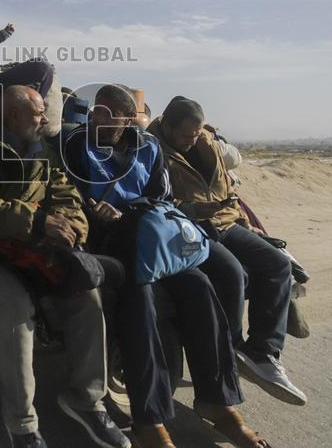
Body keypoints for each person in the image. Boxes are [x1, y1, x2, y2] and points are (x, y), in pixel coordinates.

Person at [61, 85, 269, 448]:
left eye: (113, 115)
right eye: (99, 112)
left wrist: (132, 211)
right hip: (108, 243)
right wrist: (101, 214)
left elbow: (161, 198)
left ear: (130, 119)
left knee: (200, 288)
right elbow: (72, 196)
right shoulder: (78, 145)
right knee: (138, 303)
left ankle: (217, 402)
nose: (103, 120)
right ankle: (148, 419)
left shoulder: (149, 148)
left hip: (150, 239)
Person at [0, 85, 129, 448]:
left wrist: (72, 226)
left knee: (87, 295)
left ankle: (85, 398)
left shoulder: (44, 150)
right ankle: (22, 424)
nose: (44, 118)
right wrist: (38, 224)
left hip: (41, 247)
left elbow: (66, 193)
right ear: (13, 116)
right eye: (38, 112)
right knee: (15, 310)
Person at [148, 98, 307, 405]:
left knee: (277, 265)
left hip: (228, 222)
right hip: (190, 229)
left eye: (195, 134)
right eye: (185, 136)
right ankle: (229, 348)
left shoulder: (206, 142)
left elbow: (228, 191)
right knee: (233, 272)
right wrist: (194, 210)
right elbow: (158, 202)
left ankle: (262, 352)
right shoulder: (152, 150)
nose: (191, 141)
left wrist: (248, 224)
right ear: (167, 125)